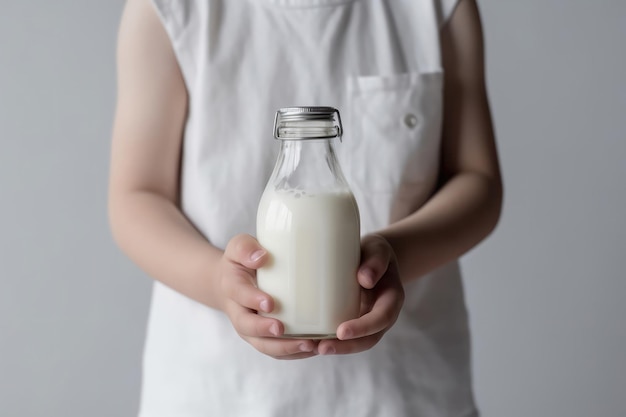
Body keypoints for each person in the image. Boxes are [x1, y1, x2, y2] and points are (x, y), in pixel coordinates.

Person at [108, 0, 502, 415]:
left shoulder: (437, 8)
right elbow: (138, 195)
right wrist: (217, 281)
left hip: (403, 391)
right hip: (218, 391)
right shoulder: (168, 9)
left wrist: (393, 256)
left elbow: (478, 180)